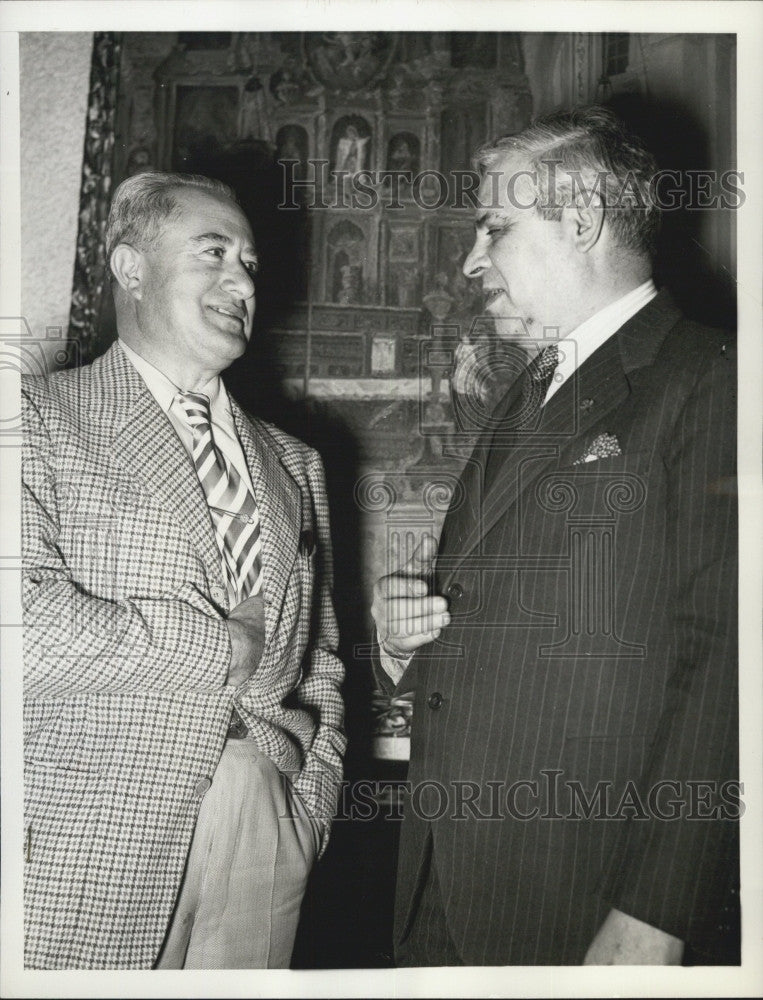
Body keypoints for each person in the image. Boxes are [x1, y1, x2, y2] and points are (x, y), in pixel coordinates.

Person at [371, 107, 738, 966]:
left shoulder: (711, 378)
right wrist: (406, 639)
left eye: (493, 227)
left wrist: (657, 910)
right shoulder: (531, 388)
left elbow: (728, 660)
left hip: (583, 898)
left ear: (579, 221)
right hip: (446, 878)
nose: (469, 262)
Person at [22, 172, 345, 969]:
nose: (242, 280)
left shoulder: (296, 464)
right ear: (131, 268)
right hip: (83, 840)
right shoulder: (33, 418)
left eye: (250, 262)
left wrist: (308, 801)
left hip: (265, 836)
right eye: (213, 253)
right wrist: (218, 650)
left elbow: (323, 665)